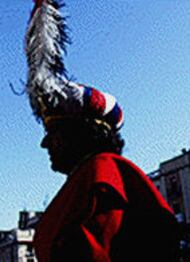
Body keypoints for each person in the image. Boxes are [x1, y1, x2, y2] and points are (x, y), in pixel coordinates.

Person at [23, 2, 180, 260]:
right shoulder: (88, 177)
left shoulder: (104, 178)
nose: (45, 143)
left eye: (55, 134)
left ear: (82, 134)